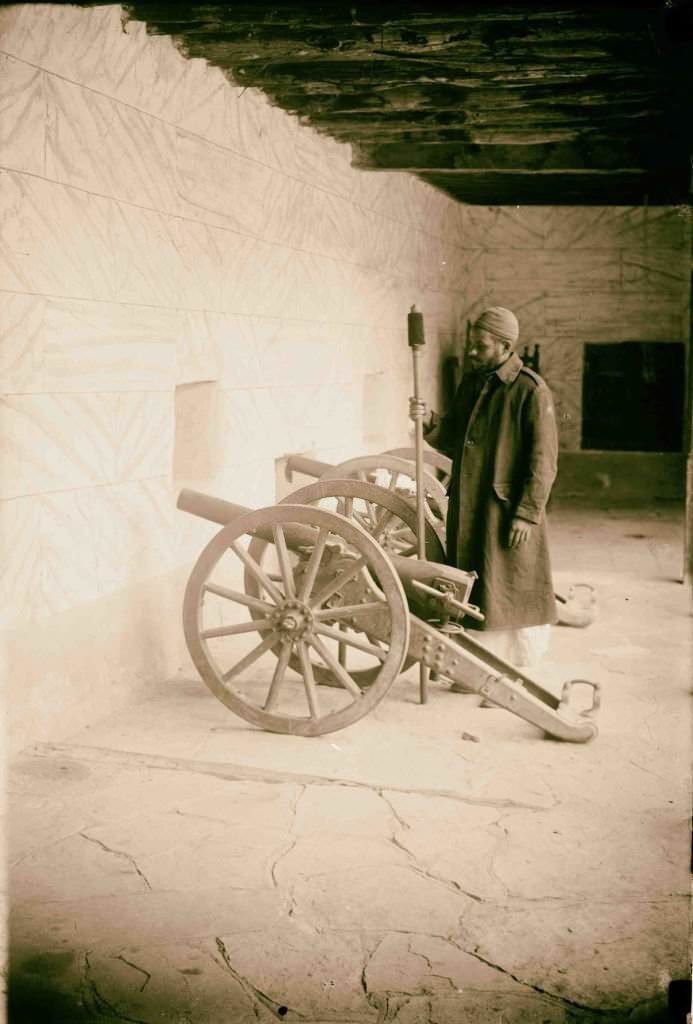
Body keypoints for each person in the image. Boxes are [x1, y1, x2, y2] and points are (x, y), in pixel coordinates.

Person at [412, 305, 558, 669]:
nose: (472, 352)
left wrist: (526, 514)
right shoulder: (472, 382)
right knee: (473, 583)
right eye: (472, 344)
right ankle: (474, 662)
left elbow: (544, 463)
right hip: (469, 502)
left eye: (480, 345)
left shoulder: (531, 391)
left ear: (505, 346)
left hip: (504, 509)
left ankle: (511, 662)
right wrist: (427, 420)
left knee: (508, 587)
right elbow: (454, 438)